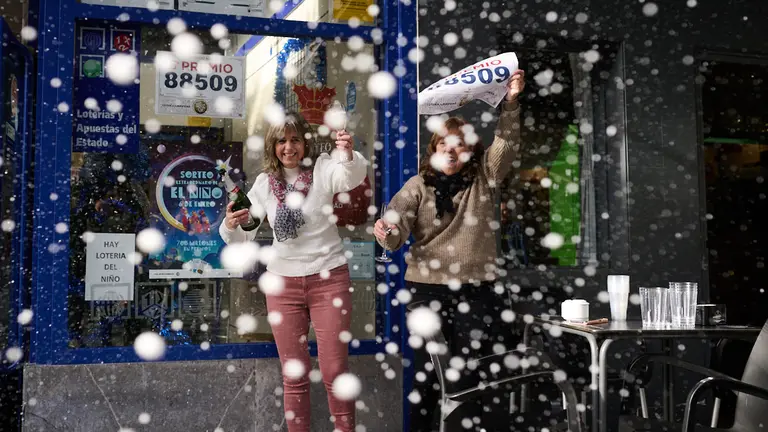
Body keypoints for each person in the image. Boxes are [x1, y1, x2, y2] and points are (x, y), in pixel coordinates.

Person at [374, 71, 525, 431]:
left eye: (459, 145)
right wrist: (386, 232)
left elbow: (506, 140)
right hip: (427, 292)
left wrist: (512, 101)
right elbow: (395, 229)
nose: (451, 151)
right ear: (435, 151)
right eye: (444, 145)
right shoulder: (418, 186)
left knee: (470, 377)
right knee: (427, 377)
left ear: (471, 150)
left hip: (477, 291)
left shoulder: (485, 177)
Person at [219, 111, 367, 432]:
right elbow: (248, 225)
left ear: (305, 143)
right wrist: (232, 224)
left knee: (334, 371)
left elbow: (349, 177)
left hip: (328, 279)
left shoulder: (324, 168)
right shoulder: (264, 185)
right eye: (282, 141)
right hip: (282, 285)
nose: (289, 147)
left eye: (295, 140)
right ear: (273, 146)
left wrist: (347, 153)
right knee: (294, 374)